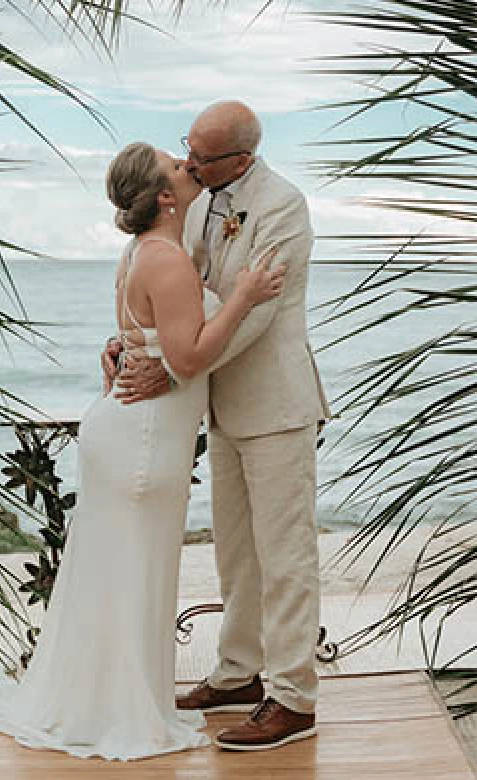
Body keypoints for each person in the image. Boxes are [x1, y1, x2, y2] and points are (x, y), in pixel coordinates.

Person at [0, 142, 285, 762]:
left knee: (116, 574)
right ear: (168, 197)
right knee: (136, 575)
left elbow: (149, 340)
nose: (185, 162)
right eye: (175, 166)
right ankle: (122, 712)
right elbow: (191, 356)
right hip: (143, 442)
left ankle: (106, 699)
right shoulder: (167, 262)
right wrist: (244, 297)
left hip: (125, 431)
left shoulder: (142, 252)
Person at [110, 101, 328, 751]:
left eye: (202, 157)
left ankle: (294, 697)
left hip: (278, 404)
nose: (192, 165)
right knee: (237, 552)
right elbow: (183, 295)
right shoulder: (202, 202)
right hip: (223, 404)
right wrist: (133, 345)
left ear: (240, 156)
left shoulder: (284, 207)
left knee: (286, 555)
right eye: (188, 151)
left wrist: (172, 371)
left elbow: (256, 317)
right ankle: (237, 673)